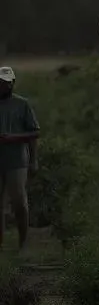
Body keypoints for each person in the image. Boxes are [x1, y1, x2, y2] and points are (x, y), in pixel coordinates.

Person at [0, 66, 40, 252]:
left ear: (12, 83)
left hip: (17, 160)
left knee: (19, 202)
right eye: (1, 82)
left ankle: (23, 242)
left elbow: (34, 132)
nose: (3, 86)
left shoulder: (22, 104)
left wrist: (33, 160)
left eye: (6, 83)